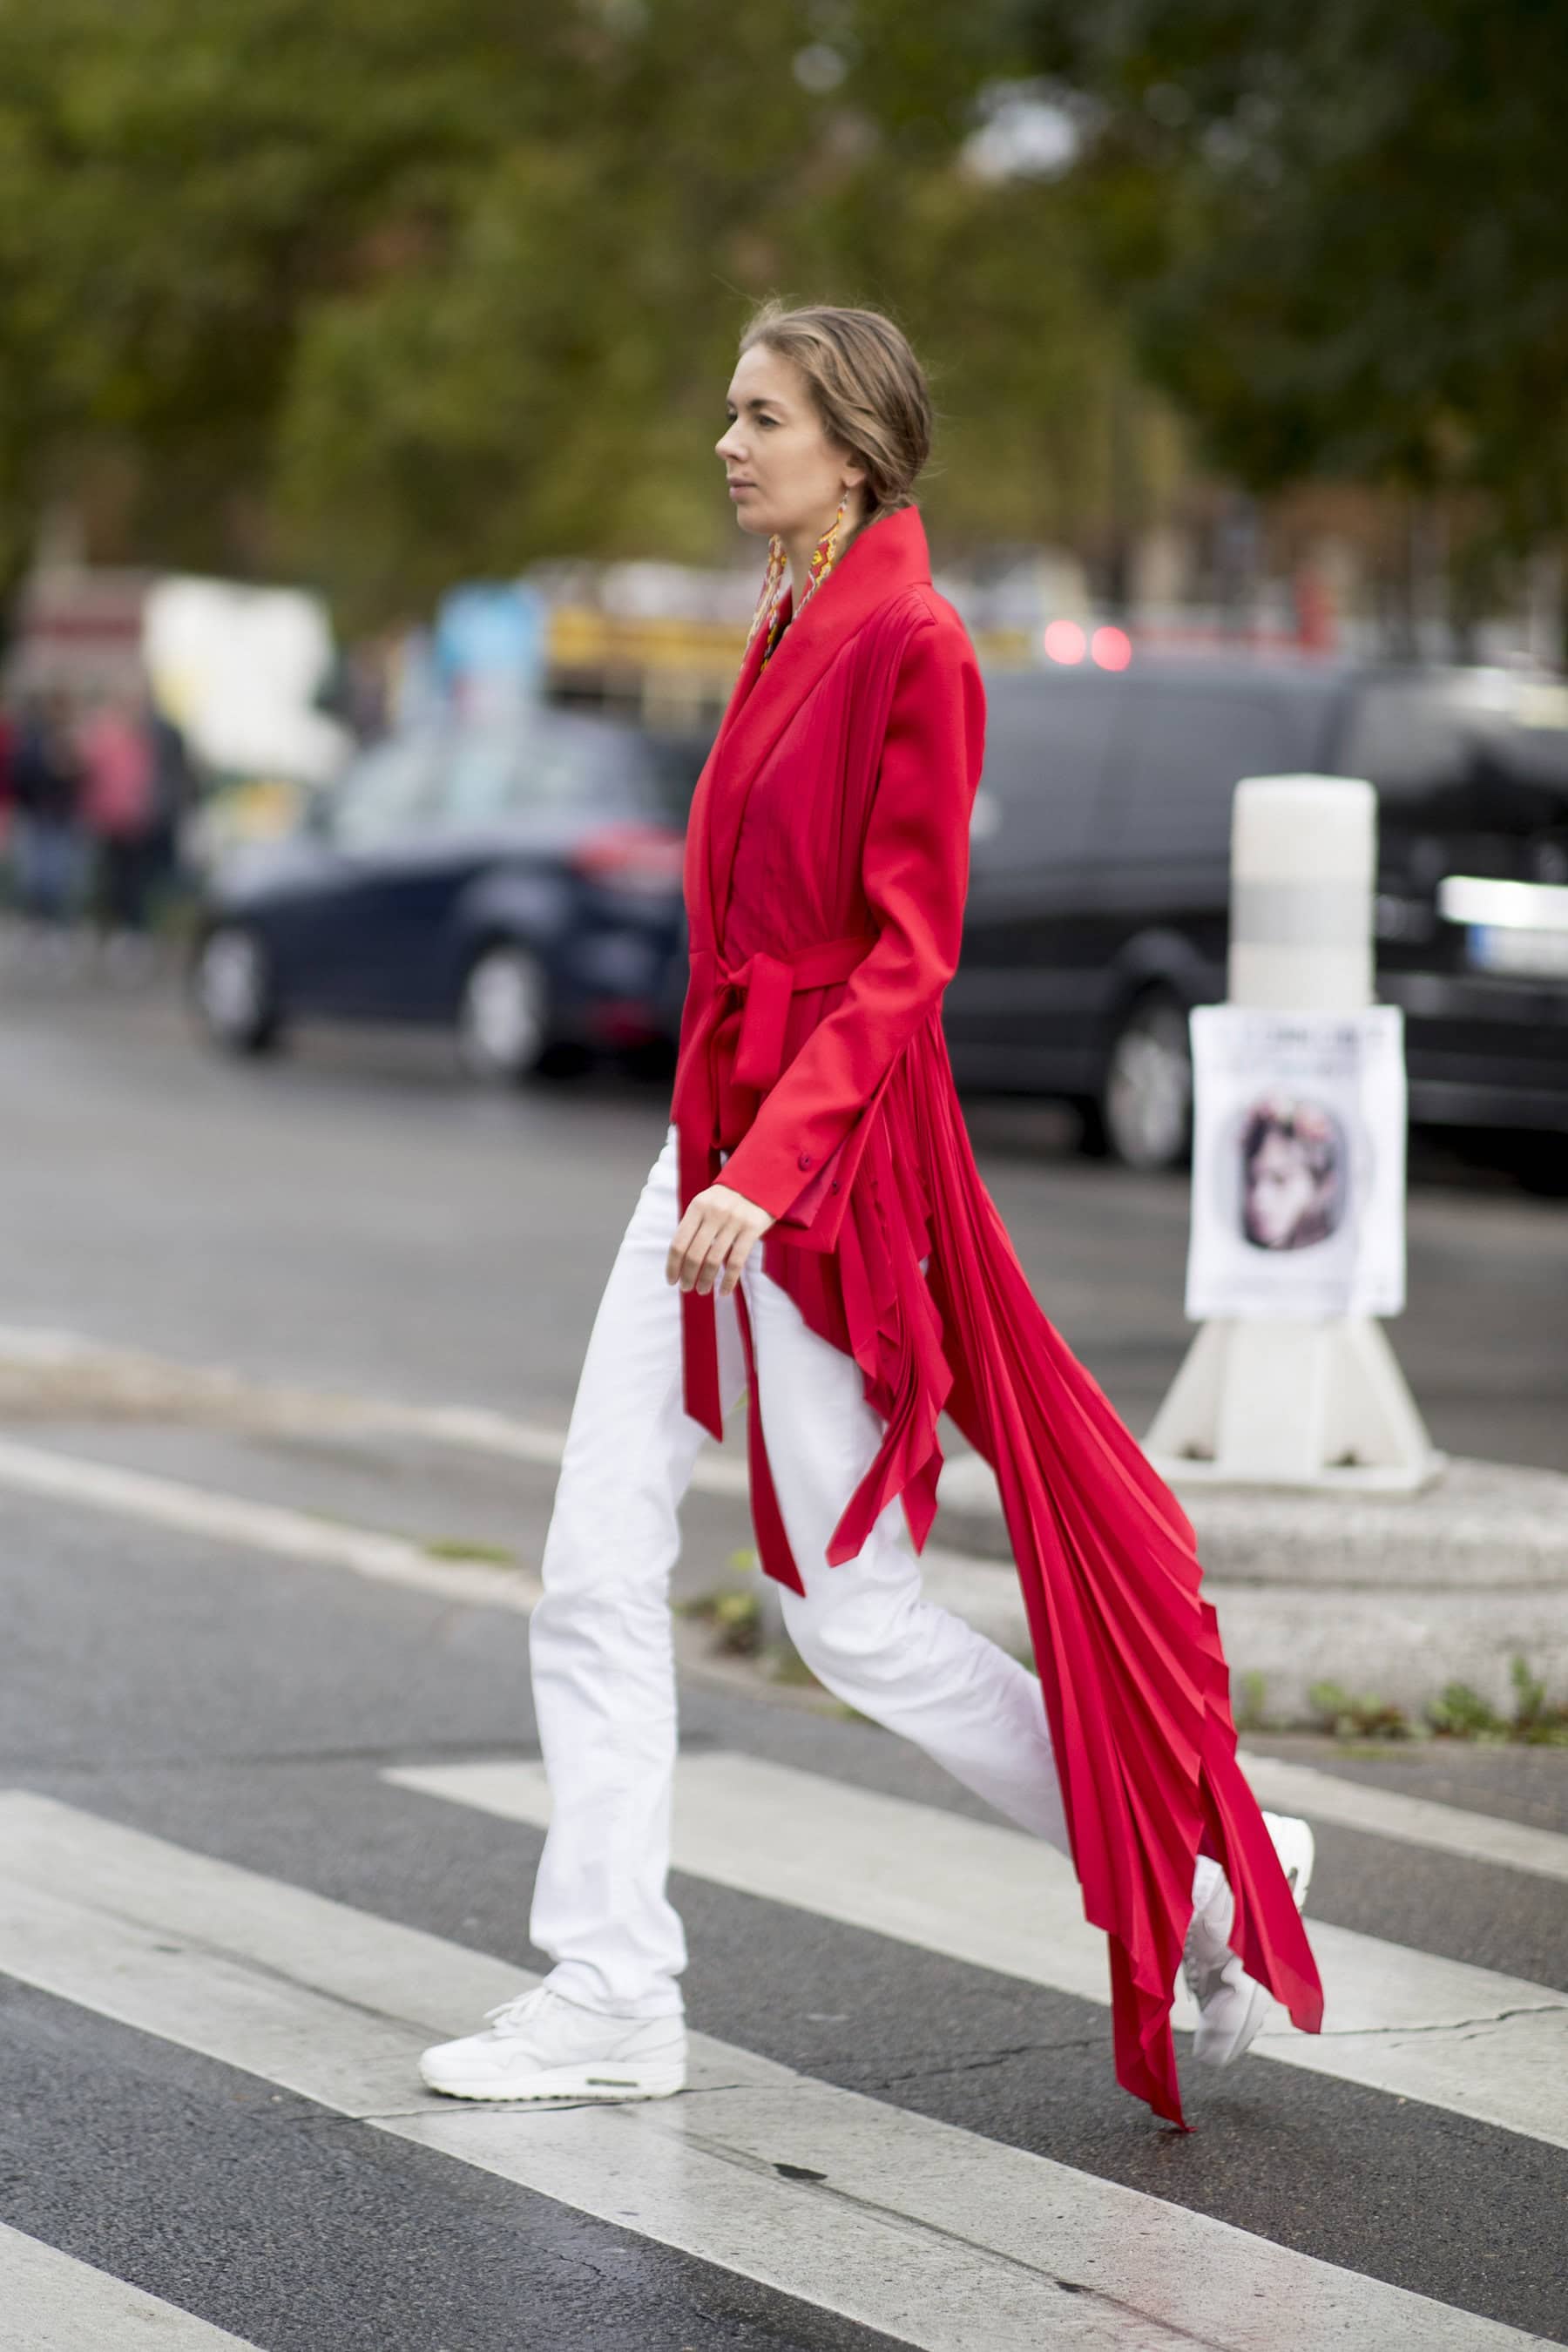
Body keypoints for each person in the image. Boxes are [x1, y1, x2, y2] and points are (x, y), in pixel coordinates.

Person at [420, 302, 1324, 2130]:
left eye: (761, 416)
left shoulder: (914, 641)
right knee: (594, 1560)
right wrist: (714, 1151)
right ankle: (609, 1987)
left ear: (855, 442)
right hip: (712, 1150)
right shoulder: (773, 618)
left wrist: (770, 1169)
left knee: (851, 1614)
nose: (728, 443)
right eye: (727, 410)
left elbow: (908, 963)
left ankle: (1214, 1882)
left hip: (820, 1183)